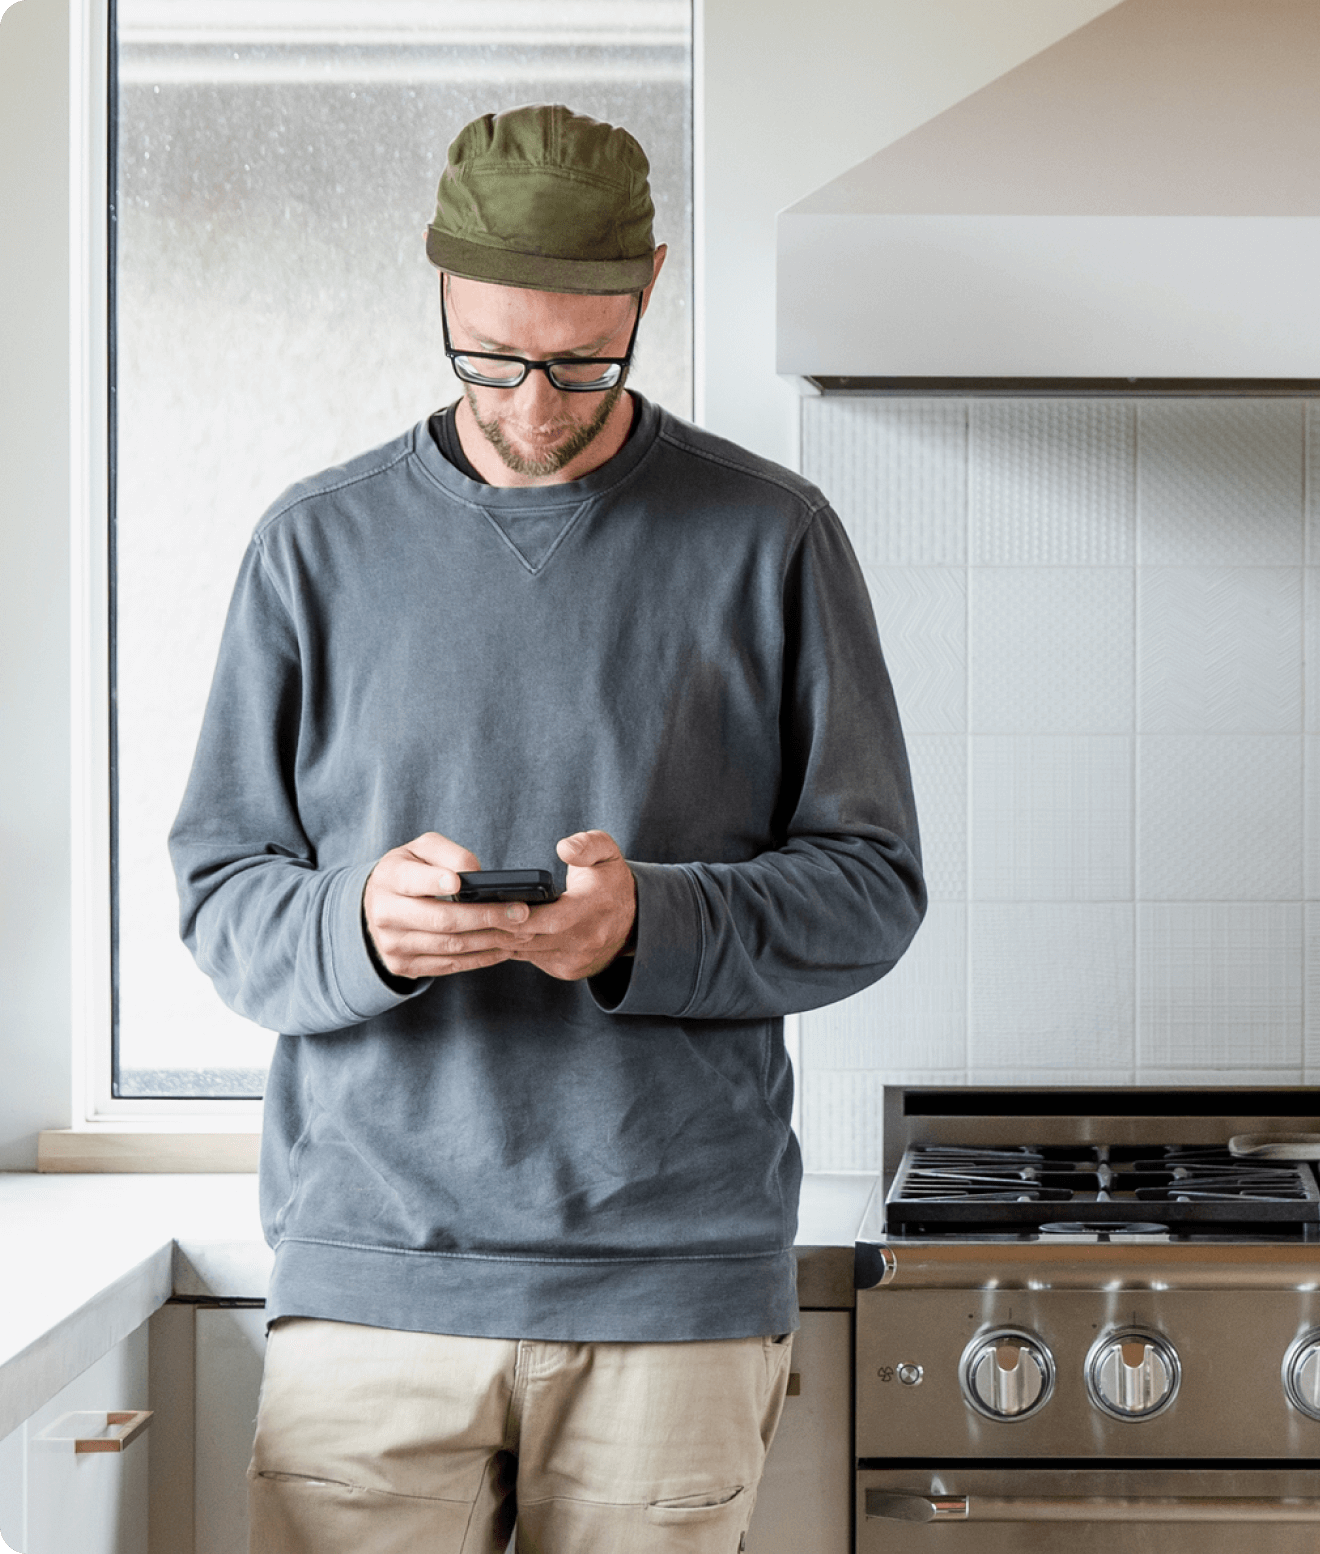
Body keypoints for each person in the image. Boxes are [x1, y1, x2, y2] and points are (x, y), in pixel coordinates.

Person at [169, 103, 924, 1554]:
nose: (532, 401)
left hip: (674, 1294)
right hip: (373, 1284)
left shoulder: (769, 535)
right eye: (495, 355)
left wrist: (651, 922)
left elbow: (871, 888)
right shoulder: (313, 546)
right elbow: (219, 896)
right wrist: (359, 926)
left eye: (582, 360)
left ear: (648, 283)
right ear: (439, 284)